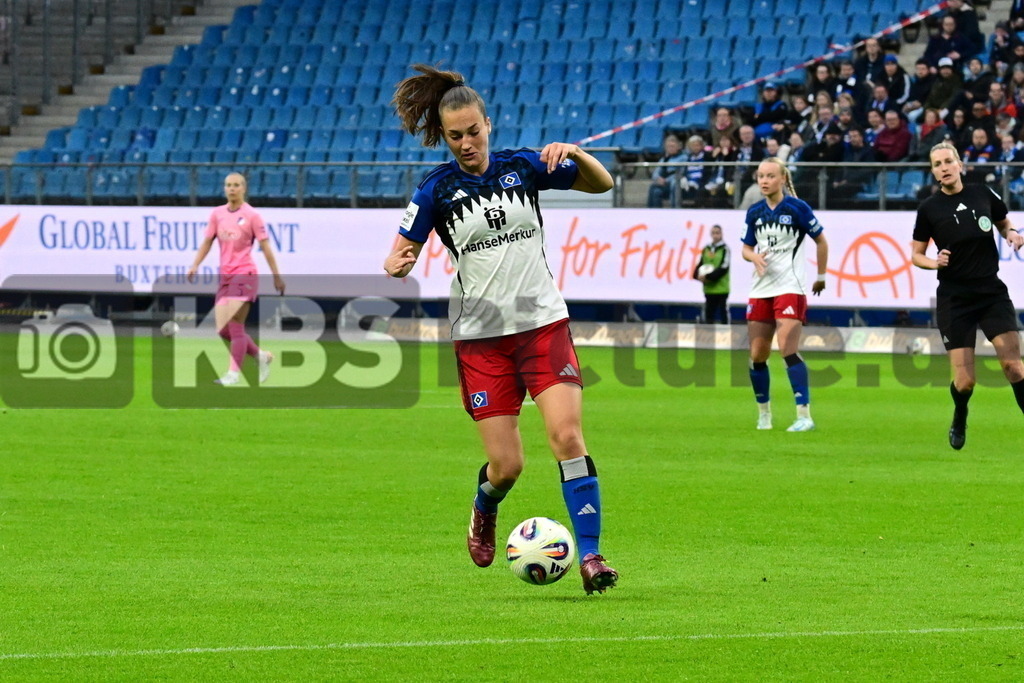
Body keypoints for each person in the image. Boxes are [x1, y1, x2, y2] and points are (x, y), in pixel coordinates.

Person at [383, 64, 619, 594]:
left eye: (473, 131)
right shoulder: (435, 190)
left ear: (489, 124)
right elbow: (399, 252)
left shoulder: (526, 168)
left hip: (543, 325)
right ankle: (484, 505)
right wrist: (398, 263)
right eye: (455, 136)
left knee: (568, 437)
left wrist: (576, 152)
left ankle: (592, 557)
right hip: (482, 341)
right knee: (507, 466)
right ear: (444, 137)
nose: (466, 143)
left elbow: (602, 184)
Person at [910, 141, 1024, 449]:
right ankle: (960, 415)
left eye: (948, 161)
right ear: (933, 172)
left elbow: (1003, 223)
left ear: (961, 164)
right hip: (954, 299)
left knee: (1014, 366)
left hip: (991, 292)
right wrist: (934, 262)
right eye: (937, 164)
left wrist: (1012, 233)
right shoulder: (929, 208)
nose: (944, 168)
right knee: (965, 382)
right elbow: (916, 255)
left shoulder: (982, 194)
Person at [741, 158, 829, 432]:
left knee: (787, 348)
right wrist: (754, 256)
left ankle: (804, 415)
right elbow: (745, 248)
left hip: (791, 286)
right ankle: (764, 414)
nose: (764, 181)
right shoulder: (754, 212)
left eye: (770, 176)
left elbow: (821, 241)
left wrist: (821, 276)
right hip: (761, 289)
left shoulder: (797, 208)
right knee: (757, 355)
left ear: (782, 179)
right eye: (760, 176)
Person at [186, 172, 285, 386]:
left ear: (244, 188)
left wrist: (276, 276)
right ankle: (261, 356)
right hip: (226, 277)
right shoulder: (217, 214)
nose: (232, 188)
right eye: (228, 185)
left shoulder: (252, 216)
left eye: (236, 185)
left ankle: (233, 374)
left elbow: (266, 247)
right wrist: (195, 264)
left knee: (235, 324)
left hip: (245, 274)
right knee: (222, 330)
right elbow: (207, 242)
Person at [694, 224, 730, 323]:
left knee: (723, 313)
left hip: (721, 288)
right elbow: (701, 264)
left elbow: (724, 267)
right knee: (709, 313)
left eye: (717, 233)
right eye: (713, 233)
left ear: (721, 234)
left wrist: (709, 277)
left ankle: (726, 334)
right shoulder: (706, 249)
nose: (715, 235)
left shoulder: (725, 249)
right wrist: (697, 275)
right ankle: (708, 336)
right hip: (709, 288)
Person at [647, 132, 684, 208]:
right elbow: (656, 172)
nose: (670, 148)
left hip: (674, 184)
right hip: (663, 184)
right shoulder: (664, 159)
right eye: (668, 147)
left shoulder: (683, 158)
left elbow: (681, 172)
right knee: (653, 188)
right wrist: (658, 178)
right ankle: (651, 213)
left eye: (672, 146)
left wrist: (666, 180)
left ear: (678, 146)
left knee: (656, 191)